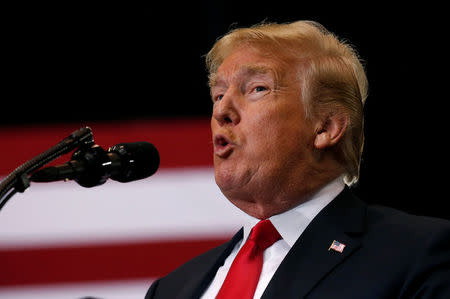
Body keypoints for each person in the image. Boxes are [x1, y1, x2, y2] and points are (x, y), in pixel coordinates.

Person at [145, 20, 450, 298]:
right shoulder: (170, 289)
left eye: (257, 88)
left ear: (326, 127)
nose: (221, 111)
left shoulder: (417, 252)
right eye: (218, 95)